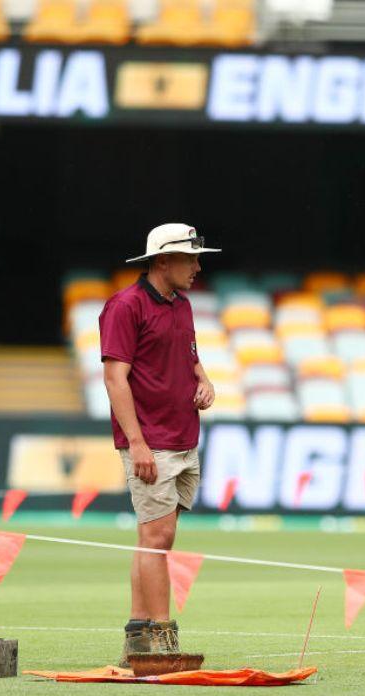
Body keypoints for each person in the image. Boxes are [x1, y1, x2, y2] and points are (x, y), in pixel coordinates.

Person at [99, 223, 218, 667]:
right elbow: (115, 378)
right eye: (190, 258)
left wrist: (203, 380)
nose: (198, 266)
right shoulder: (125, 306)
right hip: (152, 440)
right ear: (162, 261)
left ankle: (138, 635)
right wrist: (137, 443)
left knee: (154, 537)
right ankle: (161, 639)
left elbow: (188, 355)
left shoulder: (182, 306)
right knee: (157, 536)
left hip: (184, 435)